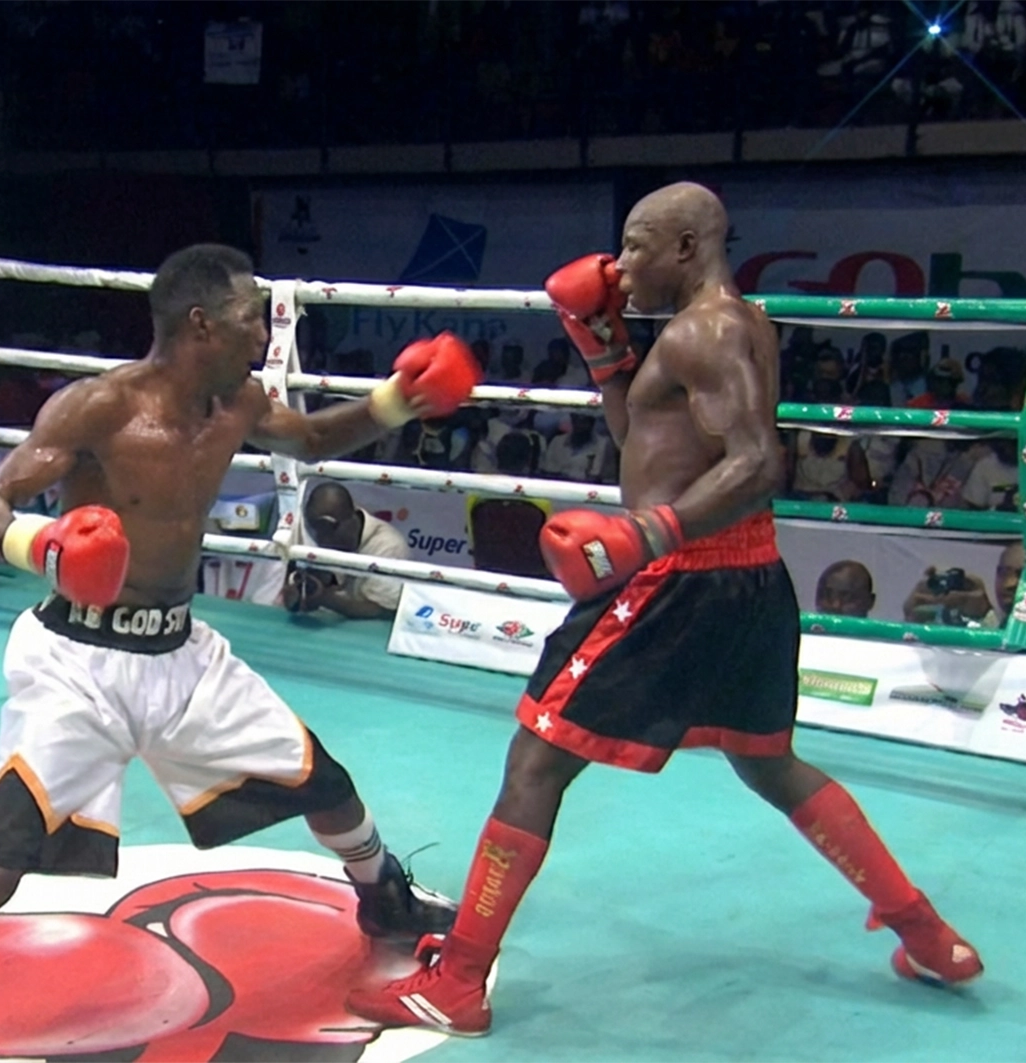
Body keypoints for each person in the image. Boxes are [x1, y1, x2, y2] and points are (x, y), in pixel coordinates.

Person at [0, 243, 478, 1061]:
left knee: (324, 783)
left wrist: (398, 401)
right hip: (76, 663)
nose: (263, 333)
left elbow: (307, 439)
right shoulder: (99, 407)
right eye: (249, 317)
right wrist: (45, 548)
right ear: (201, 324)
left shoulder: (239, 400)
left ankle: (384, 897)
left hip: (182, 653)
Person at [348, 183, 982, 1036]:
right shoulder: (728, 325)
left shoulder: (703, 332)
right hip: (749, 576)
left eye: (638, 245)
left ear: (687, 247)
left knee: (536, 759)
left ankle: (459, 980)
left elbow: (759, 463)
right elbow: (647, 442)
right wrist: (607, 351)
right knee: (767, 761)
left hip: (680, 578)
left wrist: (649, 532)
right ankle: (927, 934)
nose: (620, 265)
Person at [284, 481, 409, 620]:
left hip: (372, 628)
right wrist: (302, 591)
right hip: (329, 624)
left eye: (330, 530)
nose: (322, 539)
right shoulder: (321, 536)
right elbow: (316, 586)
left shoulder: (389, 546)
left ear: (353, 518)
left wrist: (326, 599)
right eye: (317, 530)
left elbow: (382, 611)